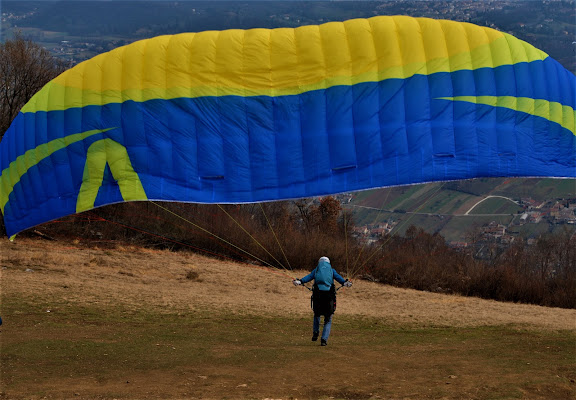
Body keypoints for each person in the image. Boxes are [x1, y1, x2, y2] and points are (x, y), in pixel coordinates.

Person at [293, 256, 352, 346]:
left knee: (317, 314)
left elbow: (308, 277)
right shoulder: (332, 270)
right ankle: (324, 339)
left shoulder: (316, 270)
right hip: (329, 297)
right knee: (328, 318)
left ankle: (315, 332)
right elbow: (339, 279)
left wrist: (299, 281)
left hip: (318, 296)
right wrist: (345, 283)